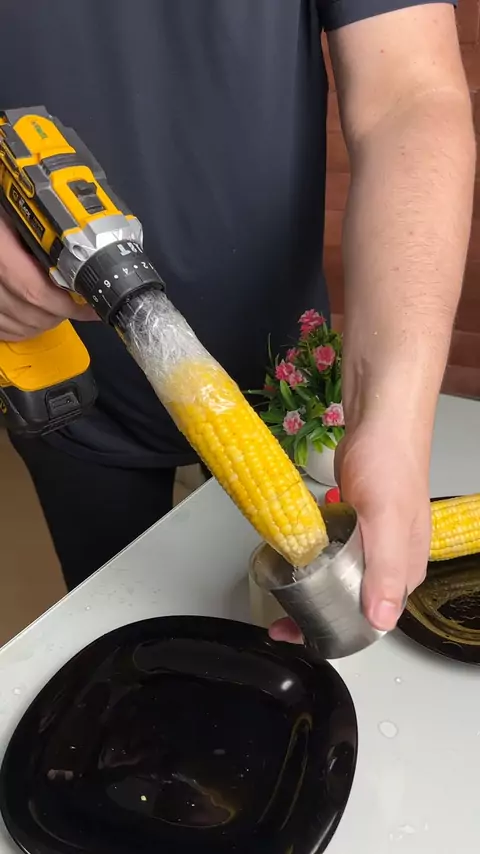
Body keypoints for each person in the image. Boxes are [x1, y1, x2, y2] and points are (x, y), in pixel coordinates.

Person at [0, 1, 474, 635]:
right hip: (70, 386)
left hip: (287, 385)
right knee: (130, 636)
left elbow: (409, 97)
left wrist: (393, 419)